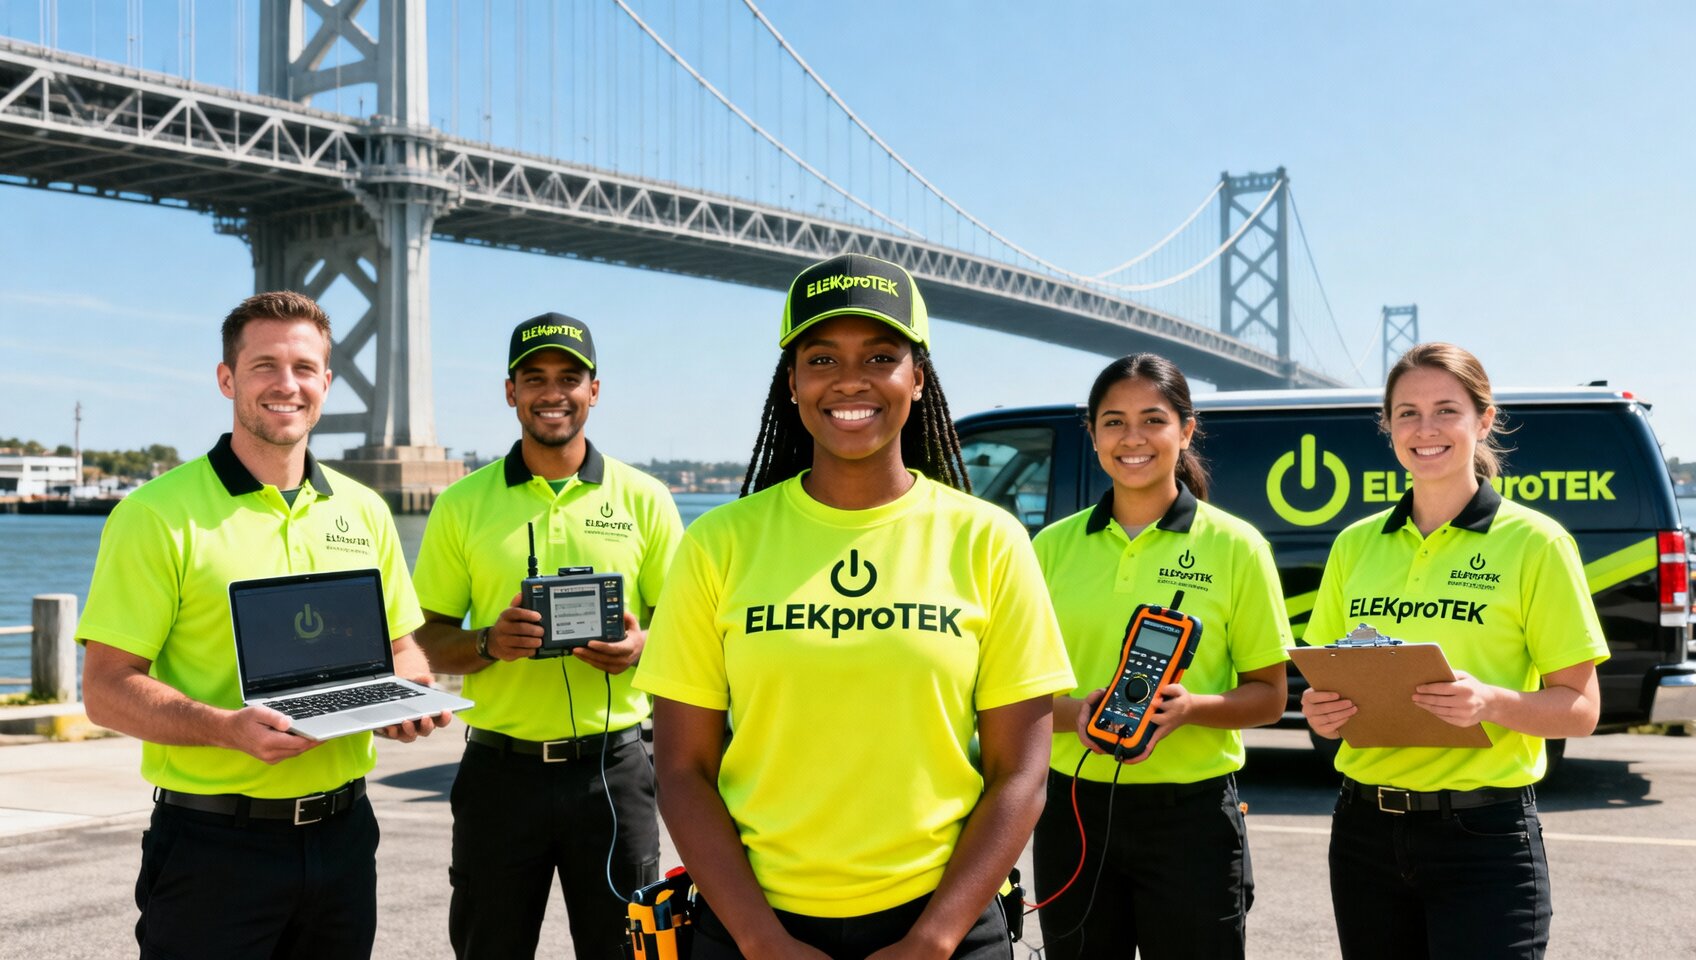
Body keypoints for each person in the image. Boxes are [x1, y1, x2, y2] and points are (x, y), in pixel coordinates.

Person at [634, 253, 1076, 960]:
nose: (849, 380)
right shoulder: (717, 544)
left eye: (879, 355)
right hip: (751, 926)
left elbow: (1021, 773)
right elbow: (683, 771)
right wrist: (759, 939)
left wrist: (931, 940)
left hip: (945, 928)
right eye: (820, 357)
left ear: (917, 378)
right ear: (792, 382)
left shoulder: (988, 540)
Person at [78, 290, 450, 960]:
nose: (287, 385)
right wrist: (225, 729)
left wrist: (406, 699)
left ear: (327, 383)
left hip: (343, 837)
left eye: (305, 368)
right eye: (264, 366)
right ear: (227, 378)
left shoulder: (365, 510)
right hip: (213, 846)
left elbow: (404, 649)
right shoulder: (155, 515)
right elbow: (106, 689)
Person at [1301, 342, 1607, 959]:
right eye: (1407, 413)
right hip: (1364, 834)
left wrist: (1489, 702)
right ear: (1388, 426)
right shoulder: (1354, 545)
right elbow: (1324, 681)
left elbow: (1580, 709)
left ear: (1483, 419)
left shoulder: (1536, 543)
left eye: (1446, 410)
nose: (1426, 429)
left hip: (1485, 837)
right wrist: (1320, 711)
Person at [412, 313, 683, 959]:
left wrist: (642, 649)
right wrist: (486, 644)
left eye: (569, 377)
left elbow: (691, 634)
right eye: (535, 378)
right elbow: (424, 640)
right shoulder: (461, 504)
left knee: (628, 954)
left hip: (614, 773)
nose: (552, 392)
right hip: (497, 776)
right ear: (511, 392)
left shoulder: (646, 498)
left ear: (595, 390)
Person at [1028, 354, 1290, 959]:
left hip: (1192, 818)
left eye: (1153, 419)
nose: (1133, 438)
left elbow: (1270, 697)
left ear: (1186, 430)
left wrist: (1190, 707)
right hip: (1074, 809)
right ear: (1091, 434)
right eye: (1113, 422)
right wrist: (1075, 715)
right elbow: (1017, 689)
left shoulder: (1237, 547)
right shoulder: (1050, 549)